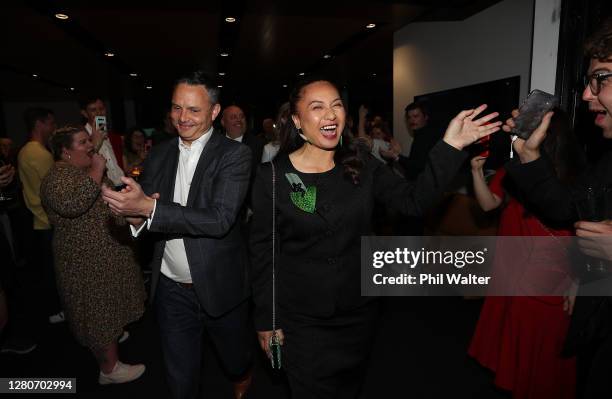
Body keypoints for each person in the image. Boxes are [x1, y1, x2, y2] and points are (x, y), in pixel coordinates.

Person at [249, 76, 501, 398]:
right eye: (317, 107)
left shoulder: (362, 164)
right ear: (297, 120)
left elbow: (414, 201)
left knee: (349, 389)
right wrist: (266, 320)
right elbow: (263, 252)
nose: (330, 114)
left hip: (358, 313)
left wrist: (450, 146)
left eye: (336, 106)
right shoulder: (272, 176)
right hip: (302, 319)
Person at [100, 71, 253, 399]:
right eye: (176, 108)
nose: (182, 118)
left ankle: (242, 375)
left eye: (193, 110)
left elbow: (219, 219)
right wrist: (130, 211)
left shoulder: (235, 155)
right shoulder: (161, 153)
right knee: (180, 380)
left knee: (235, 357)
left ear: (214, 112)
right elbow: (148, 209)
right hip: (170, 289)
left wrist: (148, 209)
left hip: (220, 285)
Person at [503, 19, 612, 398]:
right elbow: (567, 210)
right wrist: (528, 153)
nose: (585, 94)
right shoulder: (606, 161)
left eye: (601, 78)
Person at [468, 110, 585, 399]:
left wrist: (580, 279)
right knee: (512, 337)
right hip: (511, 263)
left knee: (541, 346)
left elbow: (588, 234)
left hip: (548, 274)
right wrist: (475, 172)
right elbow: (488, 205)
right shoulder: (514, 169)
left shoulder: (575, 180)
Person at [40, 125, 145, 384]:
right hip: (84, 261)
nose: (90, 146)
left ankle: (111, 341)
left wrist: (134, 213)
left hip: (103, 255)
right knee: (98, 311)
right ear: (65, 151)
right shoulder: (57, 176)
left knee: (109, 307)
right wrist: (98, 169)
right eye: (83, 142)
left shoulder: (83, 171)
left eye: (89, 140)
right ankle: (109, 370)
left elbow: (108, 202)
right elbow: (73, 204)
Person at [17, 107, 64, 324]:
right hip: (46, 220)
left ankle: (53, 309)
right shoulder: (38, 153)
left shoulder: (27, 151)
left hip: (38, 218)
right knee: (53, 270)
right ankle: (56, 310)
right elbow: (55, 189)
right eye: (51, 123)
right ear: (40, 124)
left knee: (48, 268)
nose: (53, 128)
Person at [79, 96, 125, 186]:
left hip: (122, 185)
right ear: (84, 113)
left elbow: (121, 165)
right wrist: (94, 143)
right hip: (101, 189)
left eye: (101, 109)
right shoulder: (81, 137)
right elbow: (80, 165)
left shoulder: (115, 137)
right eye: (93, 110)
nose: (99, 113)